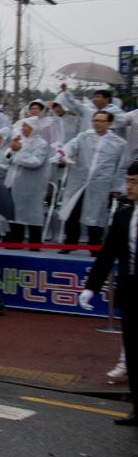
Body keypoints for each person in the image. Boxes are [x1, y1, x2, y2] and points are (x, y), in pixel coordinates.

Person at [80, 160, 138, 423]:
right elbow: (108, 254)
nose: (130, 187)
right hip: (130, 288)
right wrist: (91, 287)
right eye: (128, 181)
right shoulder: (124, 213)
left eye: (135, 182)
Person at [58, 111, 128, 250]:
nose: (97, 123)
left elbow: (121, 167)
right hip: (79, 182)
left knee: (97, 215)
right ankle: (70, 243)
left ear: (109, 123)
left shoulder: (119, 143)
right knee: (73, 212)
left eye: (101, 121)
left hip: (101, 184)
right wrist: (64, 155)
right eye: (95, 120)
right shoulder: (83, 136)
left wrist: (116, 187)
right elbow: (69, 147)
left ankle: (94, 245)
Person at [4, 117, 49, 246]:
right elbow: (7, 157)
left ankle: (34, 243)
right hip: (13, 182)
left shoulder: (41, 144)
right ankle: (15, 240)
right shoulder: (19, 140)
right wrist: (12, 150)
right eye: (22, 126)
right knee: (15, 213)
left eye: (27, 126)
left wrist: (19, 152)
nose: (23, 129)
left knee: (32, 215)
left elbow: (36, 162)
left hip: (30, 185)